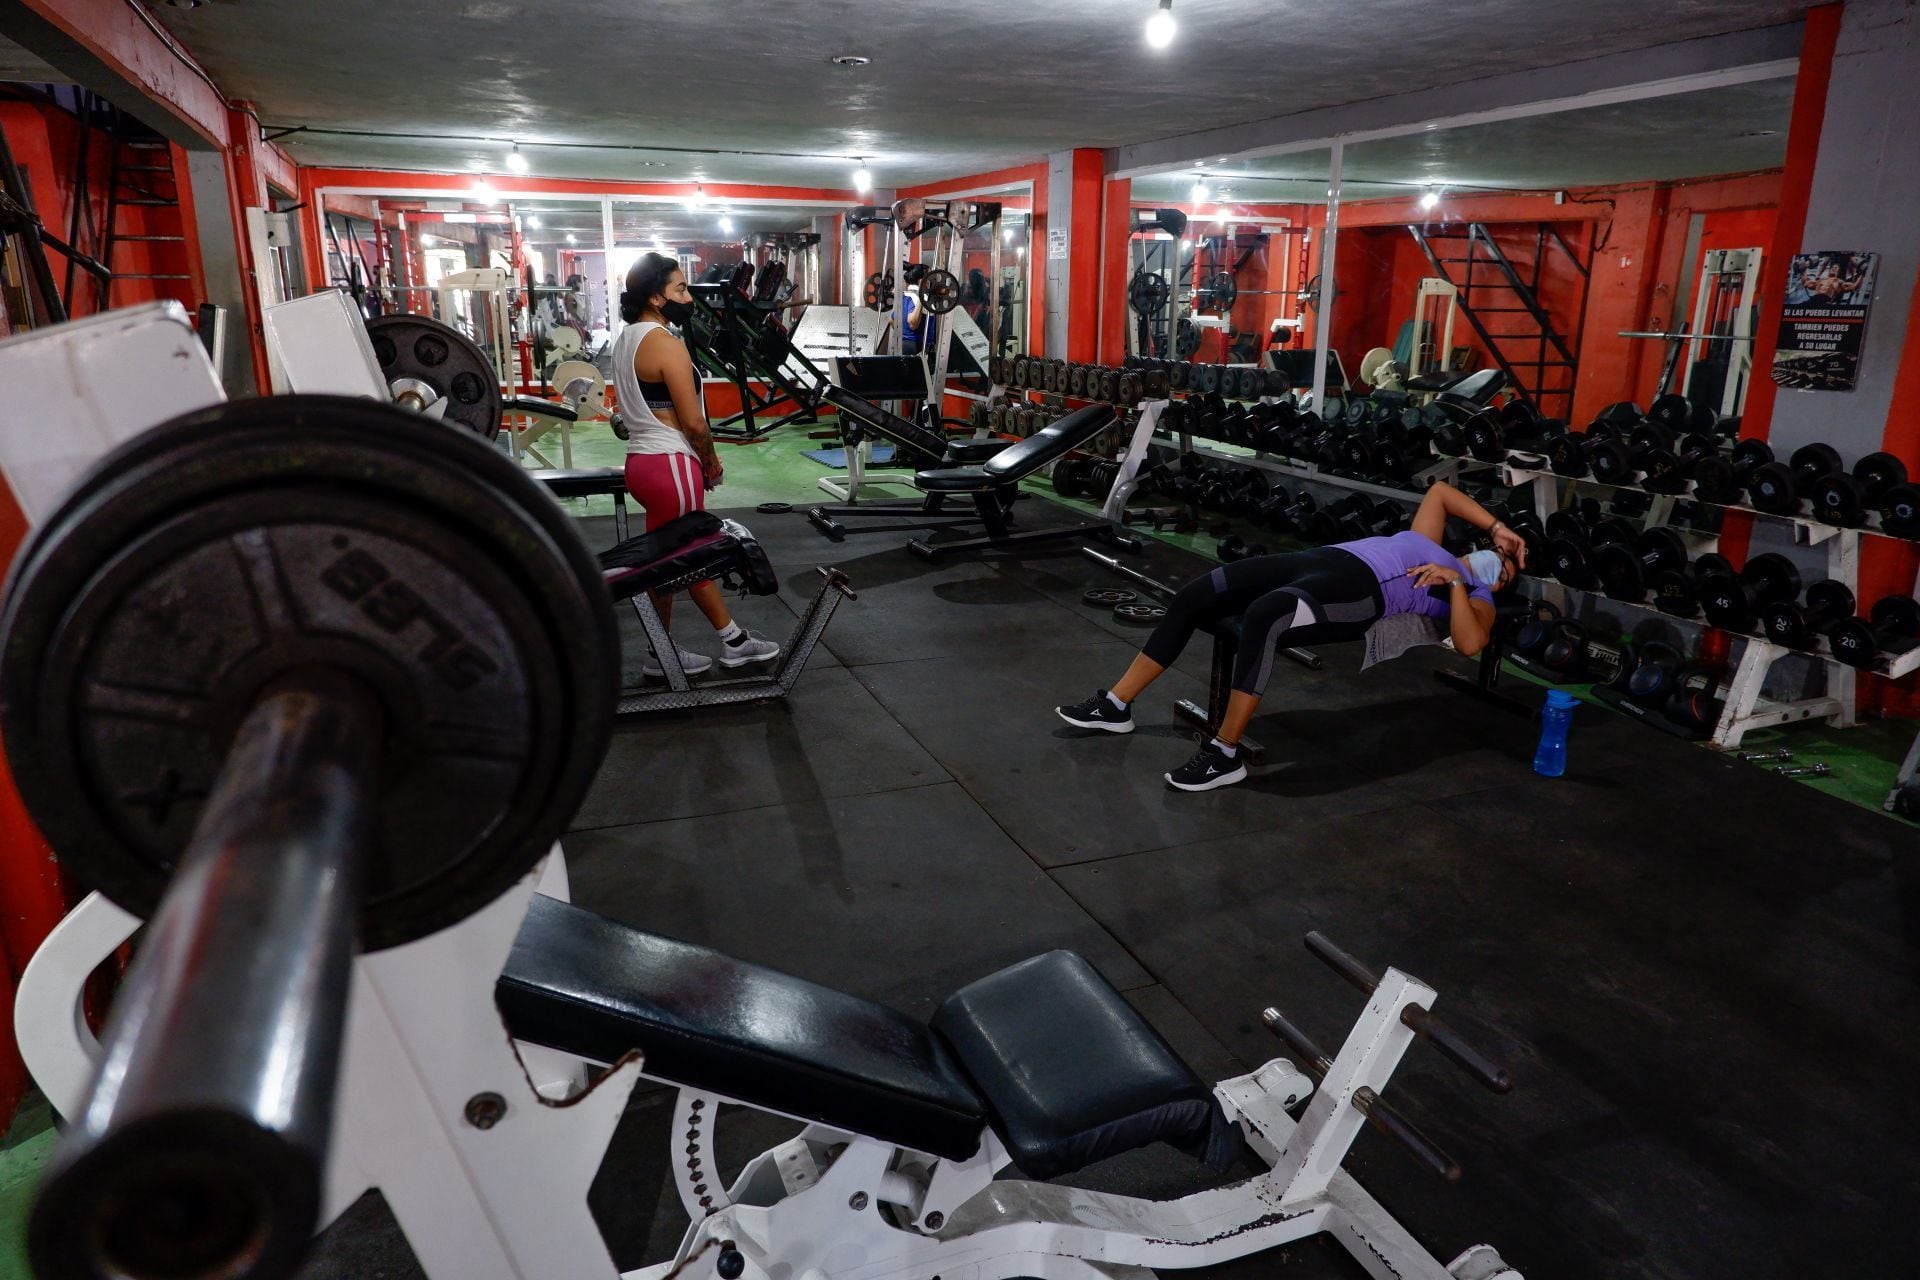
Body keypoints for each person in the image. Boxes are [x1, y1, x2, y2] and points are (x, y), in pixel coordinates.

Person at [1056, 480, 1526, 792]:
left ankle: (1224, 754)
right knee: (1197, 594)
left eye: (1504, 574)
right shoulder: (1431, 540)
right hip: (1320, 558)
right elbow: (1442, 491)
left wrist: (1461, 582)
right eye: (1497, 557)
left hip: (1358, 593)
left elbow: (1470, 643)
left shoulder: (1473, 593)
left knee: (1266, 615)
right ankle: (1115, 706)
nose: (1497, 565)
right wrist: (1499, 527)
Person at [614, 252, 780, 676]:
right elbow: (694, 423)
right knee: (689, 556)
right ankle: (734, 642)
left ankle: (662, 653)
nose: (688, 297)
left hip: (641, 463)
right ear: (656, 298)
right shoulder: (666, 344)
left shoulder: (627, 338)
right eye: (680, 289)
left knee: (665, 560)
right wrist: (711, 464)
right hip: (670, 462)